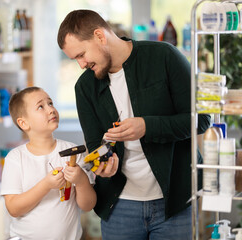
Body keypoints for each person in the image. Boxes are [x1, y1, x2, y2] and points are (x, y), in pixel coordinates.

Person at [57, 9, 211, 240]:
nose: (81, 64)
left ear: (99, 36)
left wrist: (147, 127)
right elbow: (95, 144)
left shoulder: (164, 57)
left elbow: (201, 120)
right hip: (119, 208)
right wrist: (104, 164)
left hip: (176, 201)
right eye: (75, 59)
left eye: (81, 54)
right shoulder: (85, 87)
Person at [0, 86, 96, 240]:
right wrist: (46, 185)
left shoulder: (72, 151)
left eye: (50, 103)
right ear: (23, 123)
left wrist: (81, 180)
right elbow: (13, 208)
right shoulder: (15, 158)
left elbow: (88, 205)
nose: (51, 110)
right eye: (40, 106)